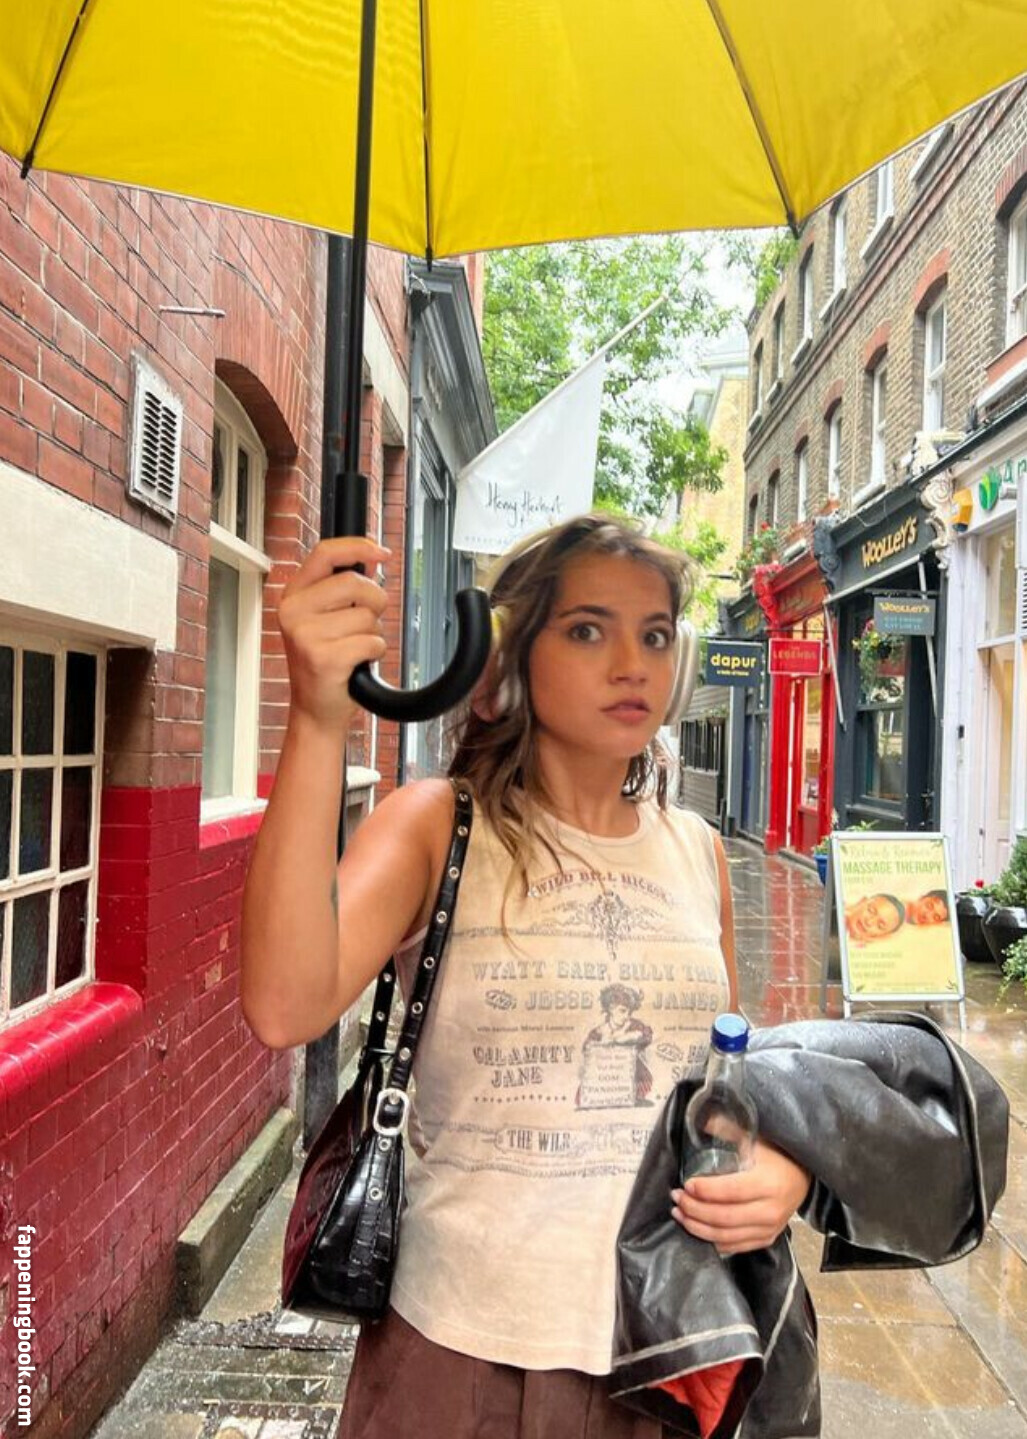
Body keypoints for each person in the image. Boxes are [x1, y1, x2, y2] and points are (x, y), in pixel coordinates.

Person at [241, 514, 811, 1439]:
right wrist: (314, 720)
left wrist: (774, 1174)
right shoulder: (435, 824)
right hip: (461, 1355)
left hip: (663, 1354)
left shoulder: (698, 851)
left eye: (653, 635)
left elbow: (718, 1091)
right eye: (587, 629)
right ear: (507, 659)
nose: (630, 663)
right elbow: (282, 1003)